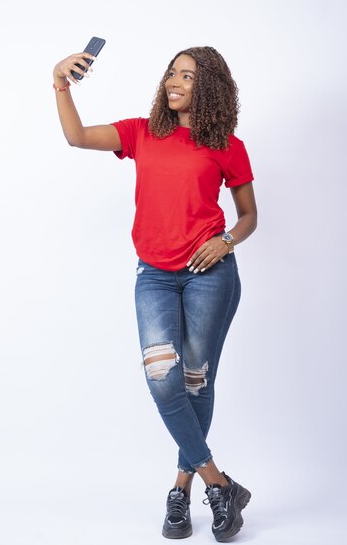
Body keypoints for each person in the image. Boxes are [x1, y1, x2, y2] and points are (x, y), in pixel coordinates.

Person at [52, 45, 257, 542]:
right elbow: (77, 137)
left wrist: (224, 239)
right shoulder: (141, 133)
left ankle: (181, 492)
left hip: (211, 274)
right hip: (155, 274)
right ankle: (219, 483)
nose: (174, 81)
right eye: (171, 72)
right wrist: (60, 83)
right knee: (163, 378)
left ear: (207, 86)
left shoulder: (228, 144)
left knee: (194, 382)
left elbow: (249, 216)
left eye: (186, 75)